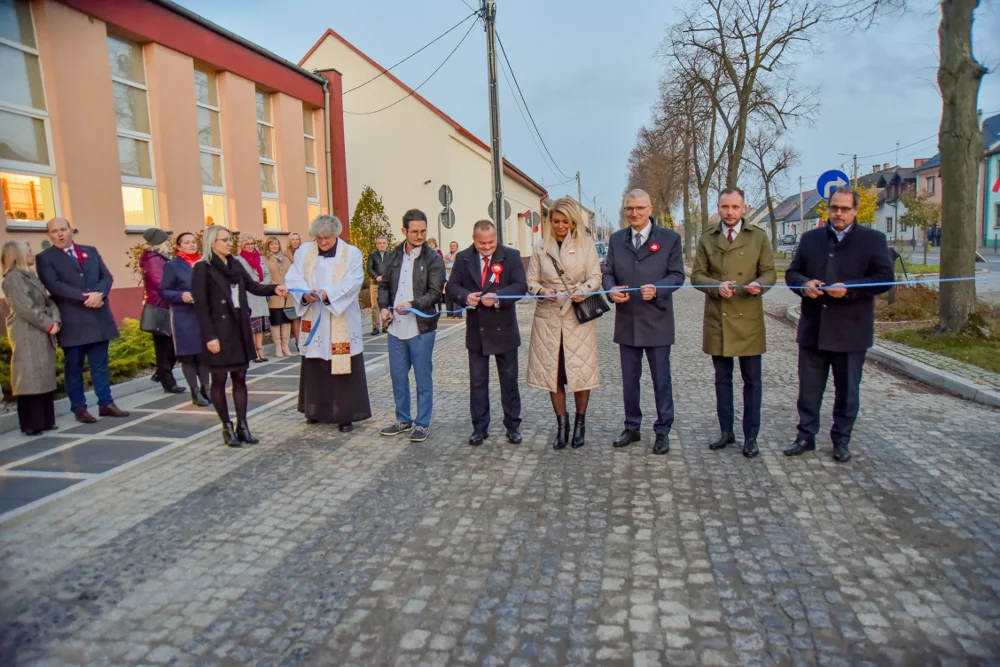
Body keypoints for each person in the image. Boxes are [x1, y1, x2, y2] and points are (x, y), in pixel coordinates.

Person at [784, 186, 894, 463]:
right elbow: (792, 272)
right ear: (828, 209)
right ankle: (805, 436)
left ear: (855, 210)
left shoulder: (873, 240)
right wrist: (803, 285)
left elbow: (884, 278)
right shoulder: (810, 239)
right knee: (808, 390)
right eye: (834, 207)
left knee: (847, 391)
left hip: (851, 331)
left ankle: (841, 439)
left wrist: (850, 288)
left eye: (845, 209)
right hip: (813, 329)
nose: (839, 213)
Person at [691, 187, 776, 459]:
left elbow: (770, 273)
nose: (729, 212)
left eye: (735, 207)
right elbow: (696, 276)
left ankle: (751, 436)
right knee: (722, 379)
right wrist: (716, 286)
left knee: (752, 381)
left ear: (744, 209)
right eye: (725, 207)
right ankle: (726, 431)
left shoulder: (758, 238)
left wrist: (759, 285)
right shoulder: (707, 239)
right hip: (720, 318)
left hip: (749, 319)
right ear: (718, 208)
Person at [601, 189, 685, 455]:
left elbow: (677, 275)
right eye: (629, 209)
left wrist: (658, 289)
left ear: (650, 209)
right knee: (629, 380)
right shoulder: (616, 240)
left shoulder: (670, 239)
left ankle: (663, 430)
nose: (634, 213)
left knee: (661, 380)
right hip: (627, 321)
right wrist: (611, 289)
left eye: (639, 208)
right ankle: (632, 427)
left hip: (657, 320)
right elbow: (607, 273)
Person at [192, 225, 287, 446]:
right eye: (224, 240)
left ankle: (242, 425)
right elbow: (201, 307)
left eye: (229, 239)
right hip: (218, 331)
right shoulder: (202, 268)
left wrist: (275, 289)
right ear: (211, 242)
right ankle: (227, 427)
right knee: (219, 379)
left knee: (240, 378)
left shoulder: (235, 264)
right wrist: (209, 337)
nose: (229, 243)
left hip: (238, 327)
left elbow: (253, 286)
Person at [35, 217, 129, 423]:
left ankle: (106, 403)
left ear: (71, 230)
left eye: (63, 229)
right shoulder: (45, 258)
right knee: (74, 367)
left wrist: (100, 294)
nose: (59, 234)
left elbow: (107, 277)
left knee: (100, 365)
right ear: (49, 235)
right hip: (73, 321)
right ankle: (79, 408)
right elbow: (55, 285)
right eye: (54, 231)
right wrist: (86, 297)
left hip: (98, 317)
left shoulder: (90, 251)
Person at [525, 197, 602, 450]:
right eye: (555, 221)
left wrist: (584, 290)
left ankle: (580, 423)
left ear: (573, 221)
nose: (560, 226)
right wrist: (541, 291)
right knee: (553, 373)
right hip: (548, 318)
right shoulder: (540, 247)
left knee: (580, 373)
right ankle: (562, 425)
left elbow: (595, 276)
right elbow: (531, 280)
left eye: (564, 221)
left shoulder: (586, 245)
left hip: (577, 317)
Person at [285, 215, 372, 431]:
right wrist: (305, 295)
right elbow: (293, 278)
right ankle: (315, 411)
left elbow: (353, 282)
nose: (323, 243)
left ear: (336, 235)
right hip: (314, 315)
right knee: (316, 365)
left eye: (328, 238)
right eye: (319, 238)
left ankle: (345, 415)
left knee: (342, 368)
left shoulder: (351, 253)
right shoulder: (305, 251)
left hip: (339, 316)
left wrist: (328, 294)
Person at [446, 219, 527, 446]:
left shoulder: (510, 256)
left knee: (509, 381)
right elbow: (452, 287)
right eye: (482, 243)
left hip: (505, 328)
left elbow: (521, 286)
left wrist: (499, 296)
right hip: (477, 330)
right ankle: (479, 427)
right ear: (474, 240)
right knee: (478, 382)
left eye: (491, 242)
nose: (487, 247)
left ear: (496, 238)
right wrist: (465, 297)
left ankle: (513, 425)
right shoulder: (462, 257)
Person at [377, 210, 446, 442]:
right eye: (415, 231)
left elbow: (435, 293)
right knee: (398, 376)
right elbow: (384, 285)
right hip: (395, 327)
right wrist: (384, 307)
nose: (420, 236)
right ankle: (403, 419)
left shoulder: (433, 258)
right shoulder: (394, 255)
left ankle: (422, 422)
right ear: (404, 231)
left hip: (421, 327)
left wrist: (413, 304)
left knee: (422, 377)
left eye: (423, 231)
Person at [2, 241, 60, 435]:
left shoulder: (30, 276)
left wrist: (55, 319)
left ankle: (45, 420)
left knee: (42, 374)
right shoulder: (13, 279)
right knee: (29, 375)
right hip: (27, 331)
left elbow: (48, 300)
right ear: (17, 255)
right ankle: (31, 423)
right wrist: (48, 324)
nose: (32, 254)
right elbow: (25, 307)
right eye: (28, 252)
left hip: (40, 329)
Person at [160, 231, 211, 407]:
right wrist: (181, 295)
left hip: (203, 314)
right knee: (189, 355)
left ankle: (207, 389)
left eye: (193, 242)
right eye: (187, 242)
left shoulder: (202, 263)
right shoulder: (173, 266)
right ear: (179, 246)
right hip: (184, 315)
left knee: (204, 354)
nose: (191, 245)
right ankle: (195, 391)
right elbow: (164, 291)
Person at [139, 227, 185, 395]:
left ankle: (161, 373)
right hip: (160, 307)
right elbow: (161, 283)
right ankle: (168, 382)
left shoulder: (161, 258)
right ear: (158, 243)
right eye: (166, 240)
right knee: (165, 346)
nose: (169, 243)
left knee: (172, 345)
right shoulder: (153, 260)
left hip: (168, 305)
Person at [236, 235, 271, 362]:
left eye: (252, 243)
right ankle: (253, 352)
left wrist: (263, 284)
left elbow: (267, 274)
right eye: (247, 244)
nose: (250, 246)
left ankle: (260, 350)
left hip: (260, 295)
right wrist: (250, 285)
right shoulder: (239, 260)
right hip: (249, 295)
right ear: (242, 246)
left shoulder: (260, 258)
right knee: (252, 326)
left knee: (259, 327)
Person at [264, 236, 294, 358]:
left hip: (287, 294)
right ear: (268, 246)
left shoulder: (285, 259)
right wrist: (275, 286)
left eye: (276, 244)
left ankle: (285, 346)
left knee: (286, 320)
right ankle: (278, 347)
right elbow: (265, 275)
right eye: (272, 244)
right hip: (274, 293)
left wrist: (288, 285)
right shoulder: (265, 259)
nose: (275, 246)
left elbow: (291, 274)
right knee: (276, 321)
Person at [366, 236, 389, 335]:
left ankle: (386, 325)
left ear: (387, 244)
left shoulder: (390, 255)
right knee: (375, 306)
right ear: (377, 245)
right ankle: (375, 327)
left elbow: (392, 268)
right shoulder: (373, 255)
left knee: (386, 305)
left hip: (386, 284)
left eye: (384, 243)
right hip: (375, 284)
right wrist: (376, 277)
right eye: (380, 243)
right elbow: (369, 268)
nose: (382, 245)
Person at [284, 232, 303, 340]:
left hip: (303, 287)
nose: (295, 241)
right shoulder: (286, 255)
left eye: (297, 239)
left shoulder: (303, 253)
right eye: (293, 239)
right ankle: (298, 341)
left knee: (304, 316)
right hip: (293, 288)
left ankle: (305, 339)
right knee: (295, 317)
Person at [443, 240, 462, 319]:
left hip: (457, 278)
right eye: (451, 245)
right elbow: (443, 264)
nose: (452, 247)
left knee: (457, 296)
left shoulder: (459, 255)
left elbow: (456, 266)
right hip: (447, 278)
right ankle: (450, 314)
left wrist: (448, 265)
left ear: (457, 247)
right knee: (448, 296)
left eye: (454, 245)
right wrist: (449, 265)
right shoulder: (446, 256)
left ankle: (457, 314)